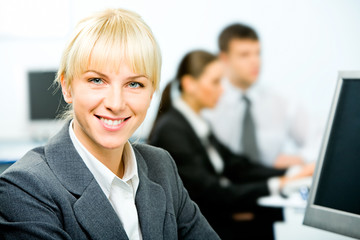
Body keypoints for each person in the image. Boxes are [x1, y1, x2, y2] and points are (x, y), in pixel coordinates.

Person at [0, 9, 220, 240]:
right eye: (97, 80)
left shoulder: (161, 166)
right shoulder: (24, 187)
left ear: (152, 90)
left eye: (134, 84)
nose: (116, 104)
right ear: (66, 86)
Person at [148, 50, 314, 240]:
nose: (223, 89)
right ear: (189, 84)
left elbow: (237, 166)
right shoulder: (172, 131)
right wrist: (281, 184)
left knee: (271, 215)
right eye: (216, 82)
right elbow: (210, 192)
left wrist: (291, 173)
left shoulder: (197, 124)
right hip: (203, 224)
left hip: (216, 213)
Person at [202, 23, 322, 169]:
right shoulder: (208, 103)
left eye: (258, 53)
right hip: (226, 188)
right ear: (224, 59)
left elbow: (319, 139)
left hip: (276, 184)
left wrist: (301, 158)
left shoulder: (281, 100)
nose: (255, 61)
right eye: (244, 55)